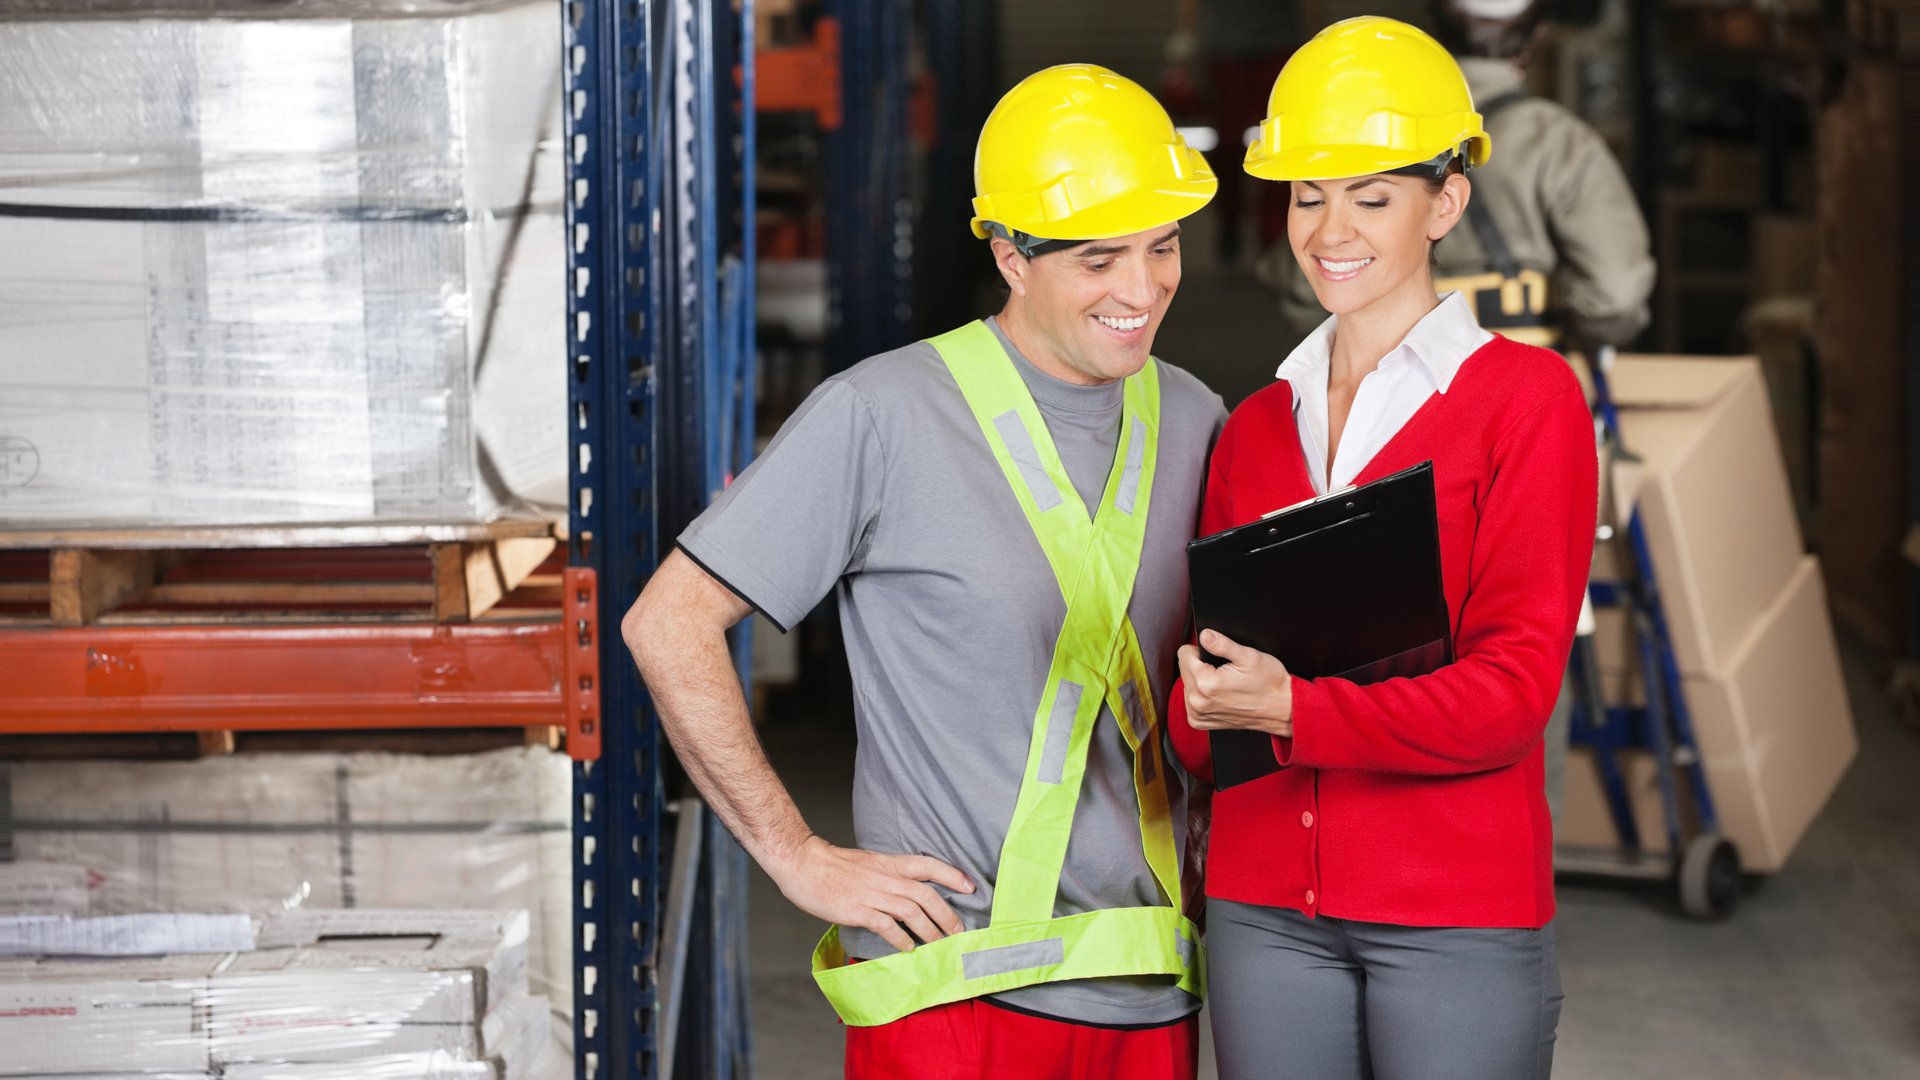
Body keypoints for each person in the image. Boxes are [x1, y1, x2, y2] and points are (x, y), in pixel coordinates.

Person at [624, 64, 1226, 1079]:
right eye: (1098, 258)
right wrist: (792, 851)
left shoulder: (1201, 417)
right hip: (949, 991)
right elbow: (667, 621)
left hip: (1148, 984)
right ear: (1010, 256)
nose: (1142, 288)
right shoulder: (884, 415)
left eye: (1162, 247)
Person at [1167, 18, 1597, 1080]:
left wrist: (1293, 709)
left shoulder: (1526, 404)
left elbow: (1509, 696)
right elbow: (1196, 727)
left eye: (1372, 196)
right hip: (1264, 915)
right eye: (1309, 194)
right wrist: (1211, 702)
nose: (1329, 230)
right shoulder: (1258, 425)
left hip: (1455, 913)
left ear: (1444, 202)